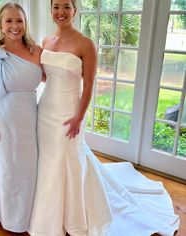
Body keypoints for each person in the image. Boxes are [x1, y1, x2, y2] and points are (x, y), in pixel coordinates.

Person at [29, 0, 180, 235]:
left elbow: (88, 85)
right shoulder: (46, 41)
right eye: (56, 6)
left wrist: (79, 117)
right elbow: (46, 77)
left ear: (75, 10)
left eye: (66, 6)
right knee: (48, 159)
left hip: (70, 111)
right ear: (50, 11)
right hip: (46, 108)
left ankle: (73, 216)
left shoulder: (85, 44)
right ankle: (48, 214)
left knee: (69, 157)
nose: (61, 12)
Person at [0, 3, 42, 233]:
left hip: (29, 121)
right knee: (4, 168)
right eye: (9, 21)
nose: (15, 26)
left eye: (19, 21)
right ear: (1, 25)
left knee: (25, 169)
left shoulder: (37, 51)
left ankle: (24, 215)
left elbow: (52, 77)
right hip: (0, 121)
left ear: (25, 23)